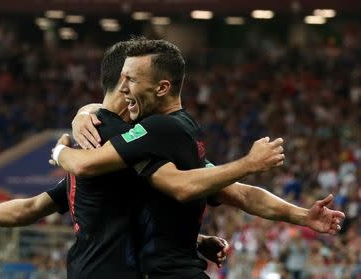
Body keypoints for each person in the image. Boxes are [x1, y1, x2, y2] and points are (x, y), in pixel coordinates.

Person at [50, 38, 344, 279]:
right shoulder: (183, 128)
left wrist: (61, 147)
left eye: (132, 80)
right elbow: (239, 193)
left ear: (162, 87)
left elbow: (184, 187)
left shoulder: (155, 129)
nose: (124, 87)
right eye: (122, 79)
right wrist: (302, 215)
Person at [0, 40, 229, 279]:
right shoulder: (124, 141)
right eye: (133, 76)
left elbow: (31, 207)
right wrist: (249, 165)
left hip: (81, 268)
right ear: (124, 82)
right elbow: (178, 185)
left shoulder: (92, 136)